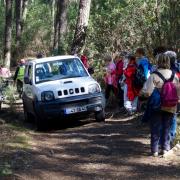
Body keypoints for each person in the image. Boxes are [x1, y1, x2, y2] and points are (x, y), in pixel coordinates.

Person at [141, 54, 180, 157]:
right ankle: (165, 149)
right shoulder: (174, 75)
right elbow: (178, 91)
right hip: (171, 105)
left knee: (155, 127)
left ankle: (154, 150)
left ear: (158, 62)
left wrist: (143, 94)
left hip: (157, 105)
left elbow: (148, 92)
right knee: (167, 127)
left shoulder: (154, 75)